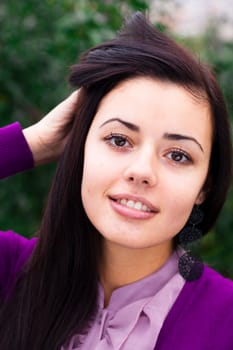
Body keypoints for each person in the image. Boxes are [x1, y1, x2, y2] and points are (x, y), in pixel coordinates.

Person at [0, 12, 233, 350]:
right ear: (81, 148)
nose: (142, 171)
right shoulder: (12, 272)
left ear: (204, 188)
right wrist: (31, 144)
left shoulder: (225, 319)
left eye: (178, 155)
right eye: (119, 140)